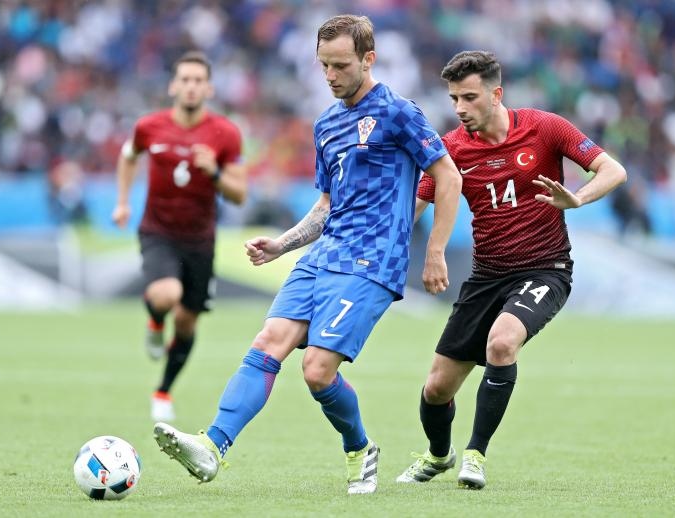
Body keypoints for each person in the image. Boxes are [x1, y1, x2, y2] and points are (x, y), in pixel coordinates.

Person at [153, 14, 462, 495]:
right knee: (267, 342)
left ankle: (360, 449)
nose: (330, 76)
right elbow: (326, 206)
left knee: (317, 370)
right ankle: (212, 446)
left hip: (372, 262)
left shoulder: (398, 112)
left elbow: (447, 175)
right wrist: (282, 244)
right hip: (323, 256)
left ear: (368, 59)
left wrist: (435, 250)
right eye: (324, 66)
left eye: (341, 65)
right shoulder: (326, 124)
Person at [396, 50, 627, 489]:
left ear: (496, 94)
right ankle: (439, 455)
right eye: (454, 99)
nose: (460, 108)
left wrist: (578, 198)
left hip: (545, 269)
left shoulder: (545, 128)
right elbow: (414, 206)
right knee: (436, 389)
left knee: (502, 343)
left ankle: (475, 455)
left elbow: (612, 170)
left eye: (469, 97)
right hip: (486, 277)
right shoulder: (452, 148)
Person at [111, 51, 248, 422]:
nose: (191, 87)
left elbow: (239, 194)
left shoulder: (225, 133)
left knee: (187, 322)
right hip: (158, 230)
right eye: (185, 80)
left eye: (198, 81)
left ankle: (163, 391)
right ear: (173, 85)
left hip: (200, 240)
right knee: (166, 294)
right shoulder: (149, 126)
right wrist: (122, 202)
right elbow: (128, 156)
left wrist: (214, 172)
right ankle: (156, 321)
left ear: (209, 89)